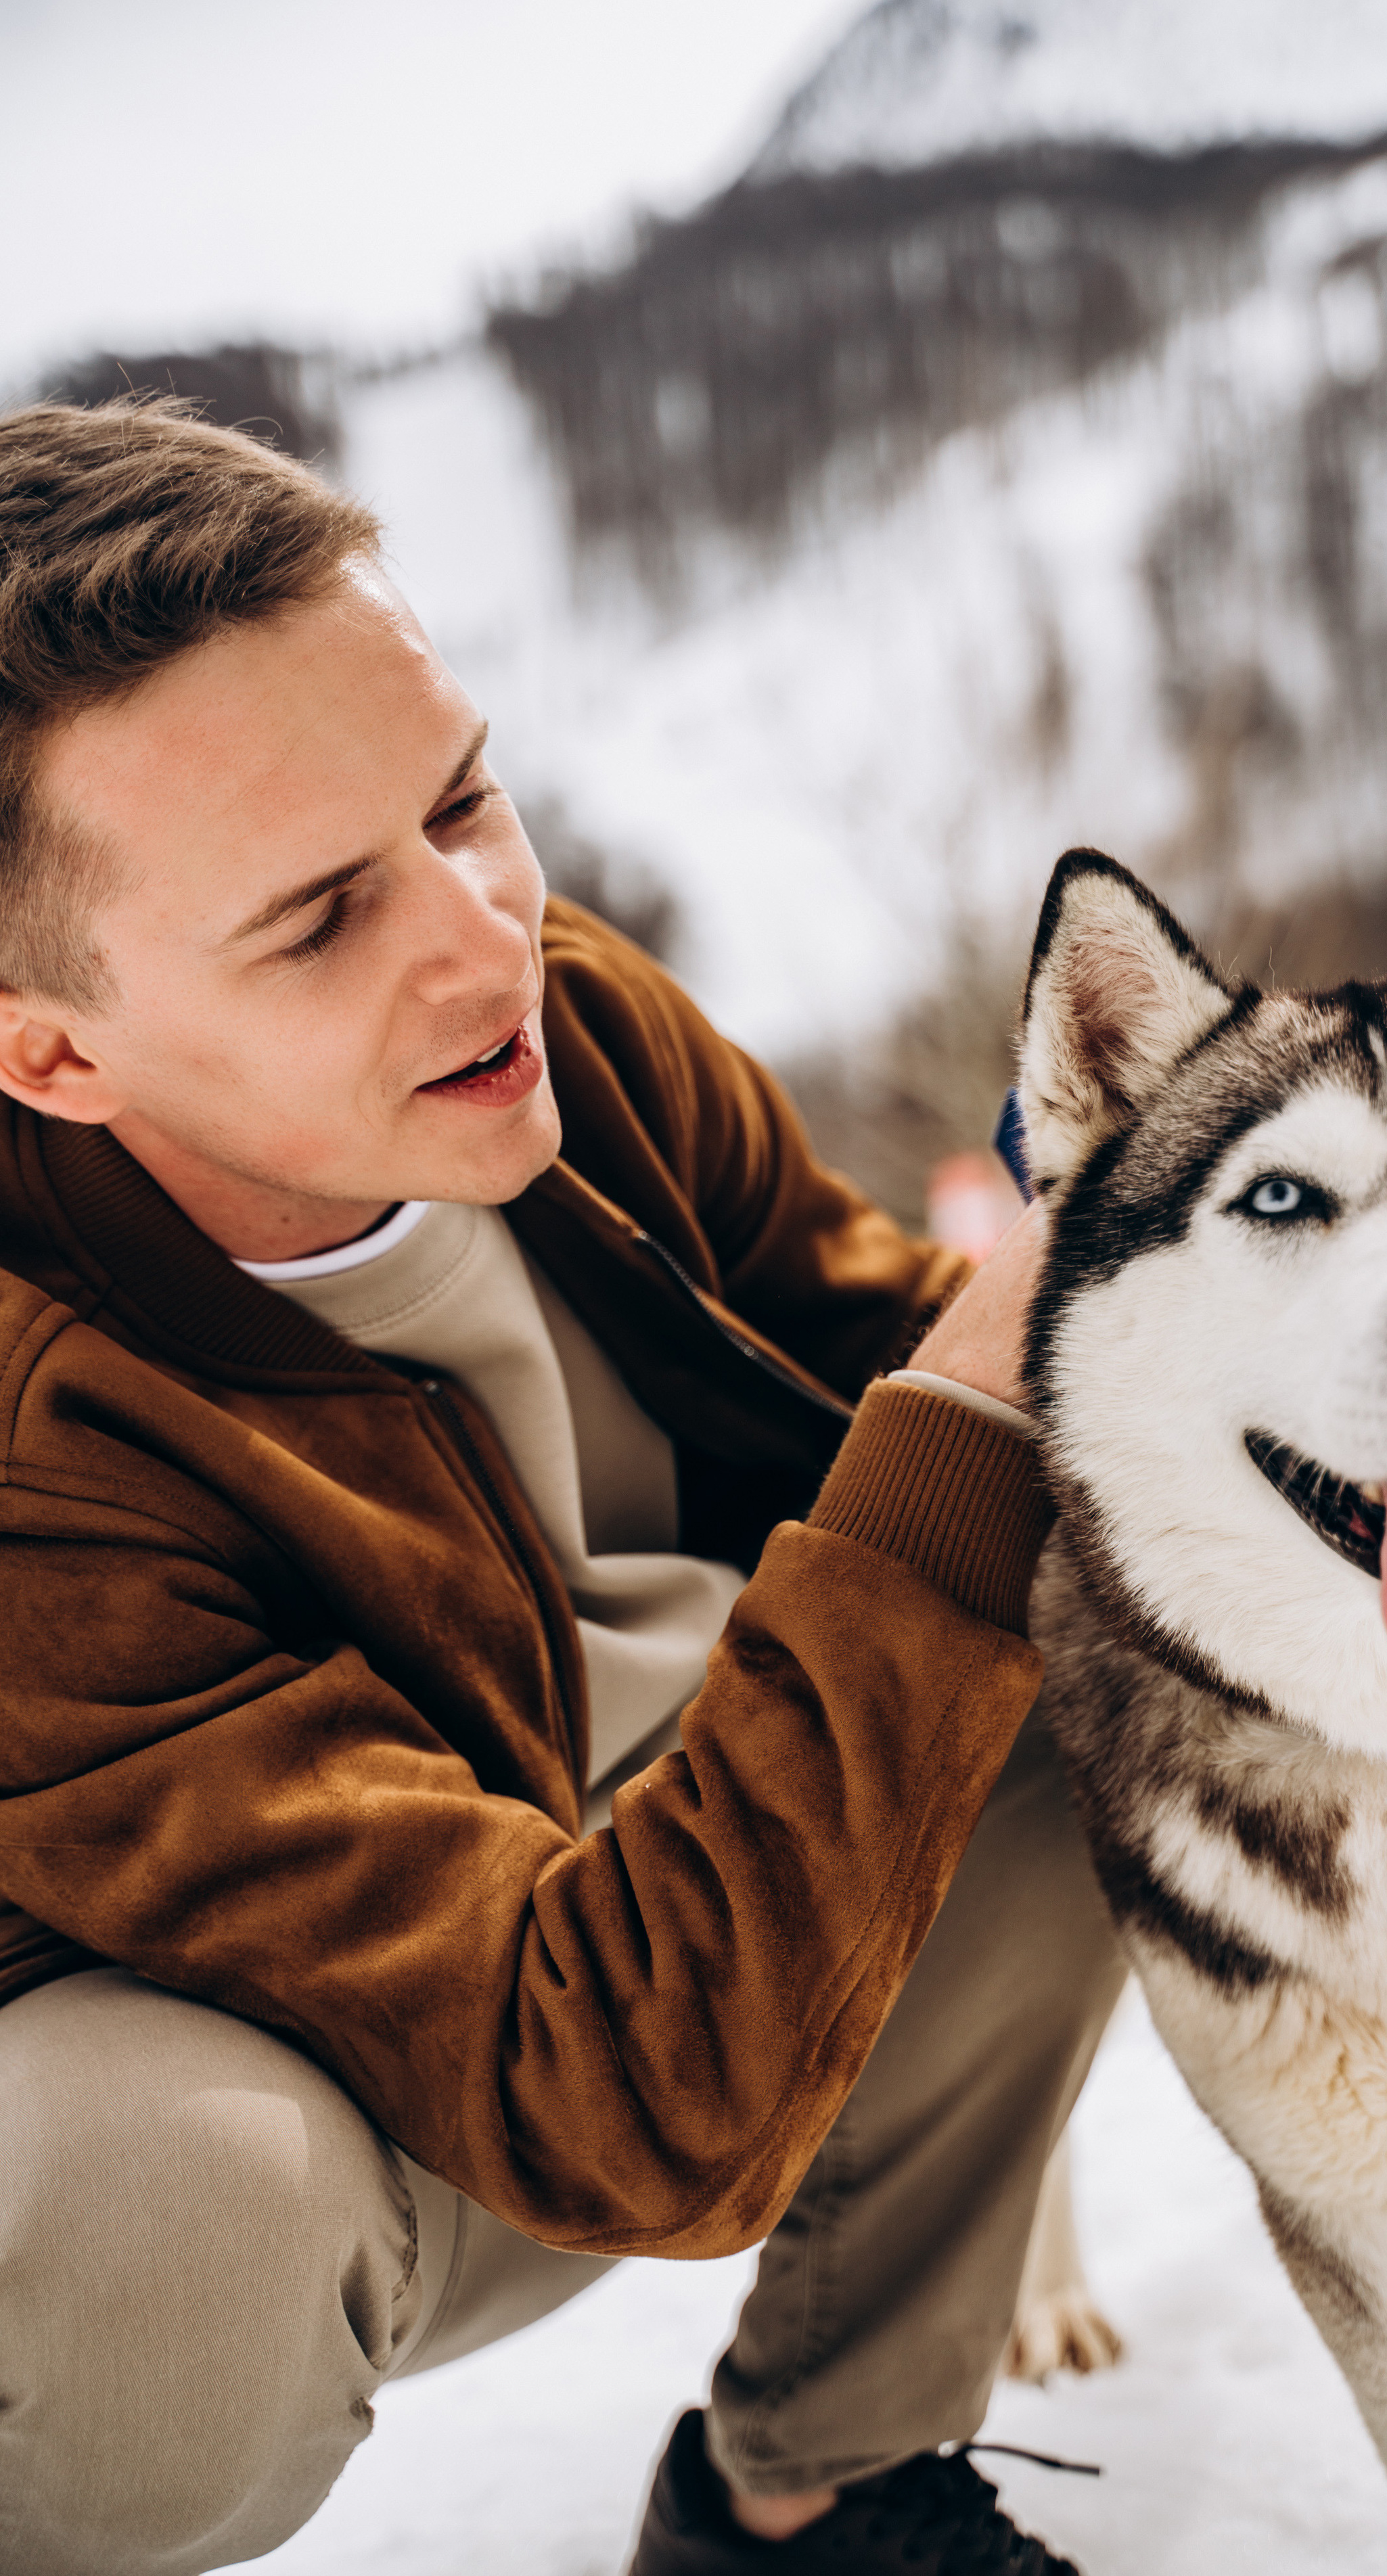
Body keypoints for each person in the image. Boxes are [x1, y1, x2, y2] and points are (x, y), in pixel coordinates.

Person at [0, 400, 1126, 2576]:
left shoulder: (550, 1022)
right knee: (164, 2227)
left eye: (461, 798)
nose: (478, 932)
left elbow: (871, 1348)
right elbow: (624, 2113)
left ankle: (816, 2490)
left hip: (633, 1900)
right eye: (319, 914)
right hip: (343, 2085)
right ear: (51, 1049)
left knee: (1077, 1621)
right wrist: (974, 1425)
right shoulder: (34, 1448)